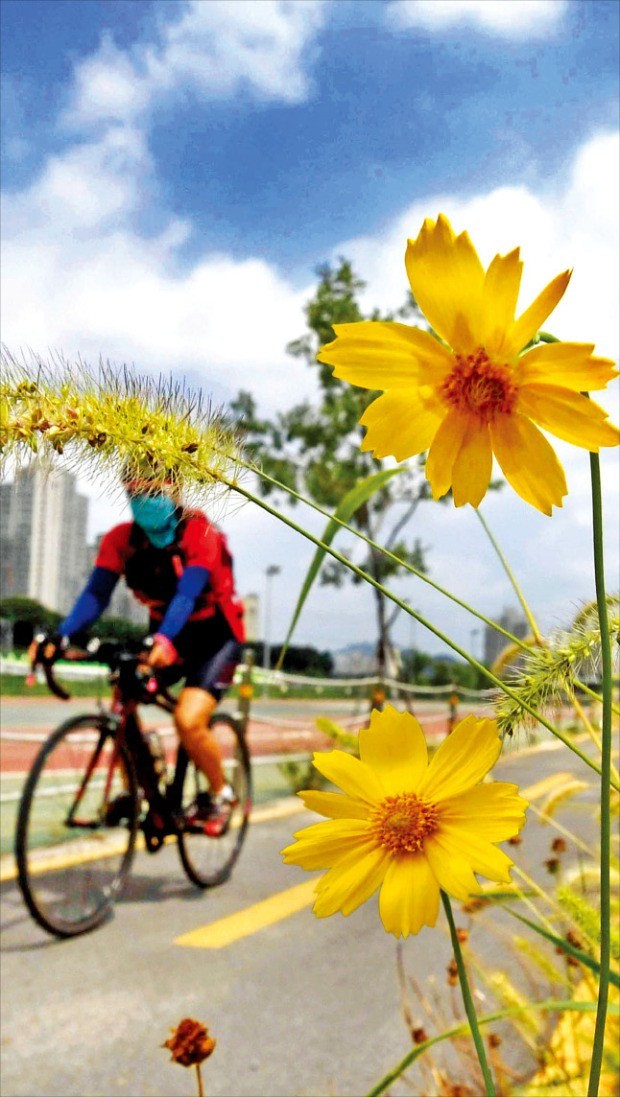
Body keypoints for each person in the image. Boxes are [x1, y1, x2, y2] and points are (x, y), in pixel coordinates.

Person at [47, 468, 246, 838]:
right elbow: (95, 594)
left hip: (215, 637)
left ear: (176, 490)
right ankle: (135, 785)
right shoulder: (121, 540)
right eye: (134, 493)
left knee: (188, 720)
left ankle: (220, 794)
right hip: (163, 633)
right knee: (124, 697)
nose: (144, 500)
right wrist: (60, 636)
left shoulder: (200, 533)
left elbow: (187, 593)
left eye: (153, 491)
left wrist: (166, 640)